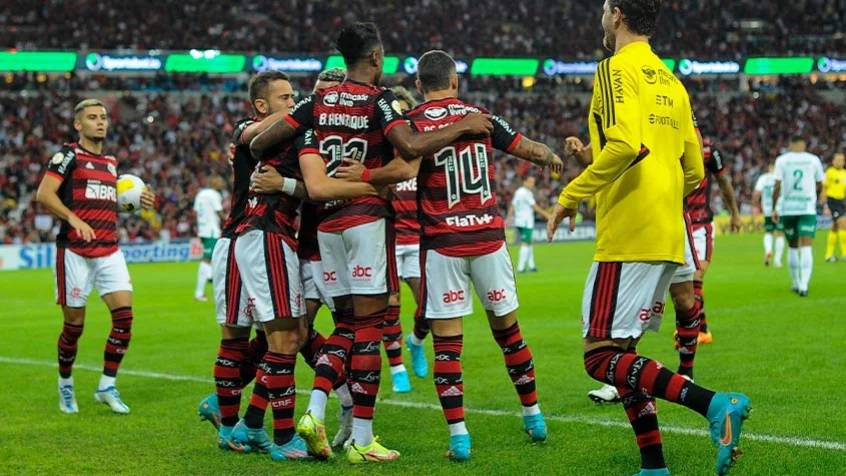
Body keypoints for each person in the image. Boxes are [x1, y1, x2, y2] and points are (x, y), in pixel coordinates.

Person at [250, 22, 493, 463]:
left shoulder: (317, 100)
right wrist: (462, 128)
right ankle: (362, 440)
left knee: (345, 325)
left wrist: (281, 169)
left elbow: (260, 141)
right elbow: (412, 146)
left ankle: (318, 407)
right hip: (366, 222)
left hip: (324, 228)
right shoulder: (379, 101)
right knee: (368, 330)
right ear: (377, 59)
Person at [546, 2, 750, 475]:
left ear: (616, 15)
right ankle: (654, 466)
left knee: (599, 358)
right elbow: (695, 171)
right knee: (624, 356)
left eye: (602, 8)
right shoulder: (672, 81)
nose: (600, 16)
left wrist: (570, 195)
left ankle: (714, 403)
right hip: (667, 231)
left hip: (628, 234)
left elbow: (624, 146)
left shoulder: (615, 69)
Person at [406, 50, 562, 461]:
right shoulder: (479, 115)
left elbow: (401, 173)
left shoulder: (413, 125)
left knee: (448, 346)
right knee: (509, 334)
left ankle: (459, 436)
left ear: (420, 86)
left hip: (443, 246)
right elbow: (527, 148)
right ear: (454, 81)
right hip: (488, 240)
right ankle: (534, 415)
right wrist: (551, 155)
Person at [250, 67, 357, 450]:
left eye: (329, 96)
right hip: (307, 249)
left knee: (358, 336)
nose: (318, 104)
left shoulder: (358, 138)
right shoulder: (300, 136)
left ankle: (357, 420)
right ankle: (255, 418)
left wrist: (284, 183)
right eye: (314, 96)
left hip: (348, 249)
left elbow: (319, 188)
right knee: (294, 336)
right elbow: (255, 144)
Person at [36, 98, 155, 415]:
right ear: (79, 124)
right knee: (74, 327)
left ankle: (106, 385)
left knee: (124, 319)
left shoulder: (112, 163)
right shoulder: (68, 155)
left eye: (103, 117)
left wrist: (133, 200)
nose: (100, 122)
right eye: (92, 117)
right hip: (74, 251)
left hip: (109, 249)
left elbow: (103, 201)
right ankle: (65, 383)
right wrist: (73, 219)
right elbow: (44, 194)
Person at [565, 139, 705, 405]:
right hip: (633, 223)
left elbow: (694, 164)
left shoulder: (671, 106)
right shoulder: (622, 112)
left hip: (669, 217)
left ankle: (687, 371)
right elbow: (602, 159)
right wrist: (580, 154)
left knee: (685, 299)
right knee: (629, 310)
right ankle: (621, 377)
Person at [684, 137, 741, 345]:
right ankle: (699, 327)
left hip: (701, 223)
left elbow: (723, 181)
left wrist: (734, 213)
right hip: (676, 223)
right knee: (681, 283)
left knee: (695, 276)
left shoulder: (708, 149)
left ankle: (697, 330)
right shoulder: (667, 142)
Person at [382, 85, 421, 390]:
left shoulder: (422, 149)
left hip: (420, 239)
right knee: (390, 305)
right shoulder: (382, 151)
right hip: (390, 241)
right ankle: (397, 370)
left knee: (429, 308)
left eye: (403, 109)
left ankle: (416, 340)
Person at [772, 136, 826, 297]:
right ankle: (804, 286)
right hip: (807, 208)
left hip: (788, 209)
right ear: (803, 145)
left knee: (793, 246)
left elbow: (777, 186)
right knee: (807, 245)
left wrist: (775, 207)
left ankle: (796, 282)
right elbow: (820, 183)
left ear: (790, 144)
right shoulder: (813, 160)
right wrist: (813, 196)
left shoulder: (782, 160)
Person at [506, 176, 551, 273]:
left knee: (530, 242)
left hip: (520, 220)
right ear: (524, 182)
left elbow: (513, 205)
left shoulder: (518, 192)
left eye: (533, 182)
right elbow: (535, 207)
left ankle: (531, 265)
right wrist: (546, 215)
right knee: (526, 243)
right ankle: (521, 268)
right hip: (525, 221)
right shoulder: (526, 193)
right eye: (530, 182)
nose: (532, 184)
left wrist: (508, 219)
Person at [193, 176, 225, 301]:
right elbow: (219, 212)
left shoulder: (201, 194)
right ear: (215, 183)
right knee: (207, 259)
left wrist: (199, 231)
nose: (222, 183)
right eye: (221, 181)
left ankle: (211, 276)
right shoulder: (214, 194)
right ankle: (199, 293)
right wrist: (229, 221)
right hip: (211, 231)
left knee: (214, 258)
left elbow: (197, 213)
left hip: (204, 230)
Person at [752, 163, 785, 267]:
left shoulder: (763, 178)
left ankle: (768, 250)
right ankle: (777, 261)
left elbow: (757, 193)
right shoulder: (781, 178)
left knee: (769, 232)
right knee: (780, 233)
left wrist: (755, 206)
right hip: (780, 210)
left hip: (767, 210)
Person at [823, 152, 846, 262]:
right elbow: (824, 189)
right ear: (833, 161)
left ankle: (828, 255)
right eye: (838, 160)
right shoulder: (829, 172)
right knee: (843, 224)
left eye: (842, 160)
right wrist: (825, 205)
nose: (840, 162)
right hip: (832, 201)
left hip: (841, 201)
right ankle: (845, 253)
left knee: (835, 227)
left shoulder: (845, 173)